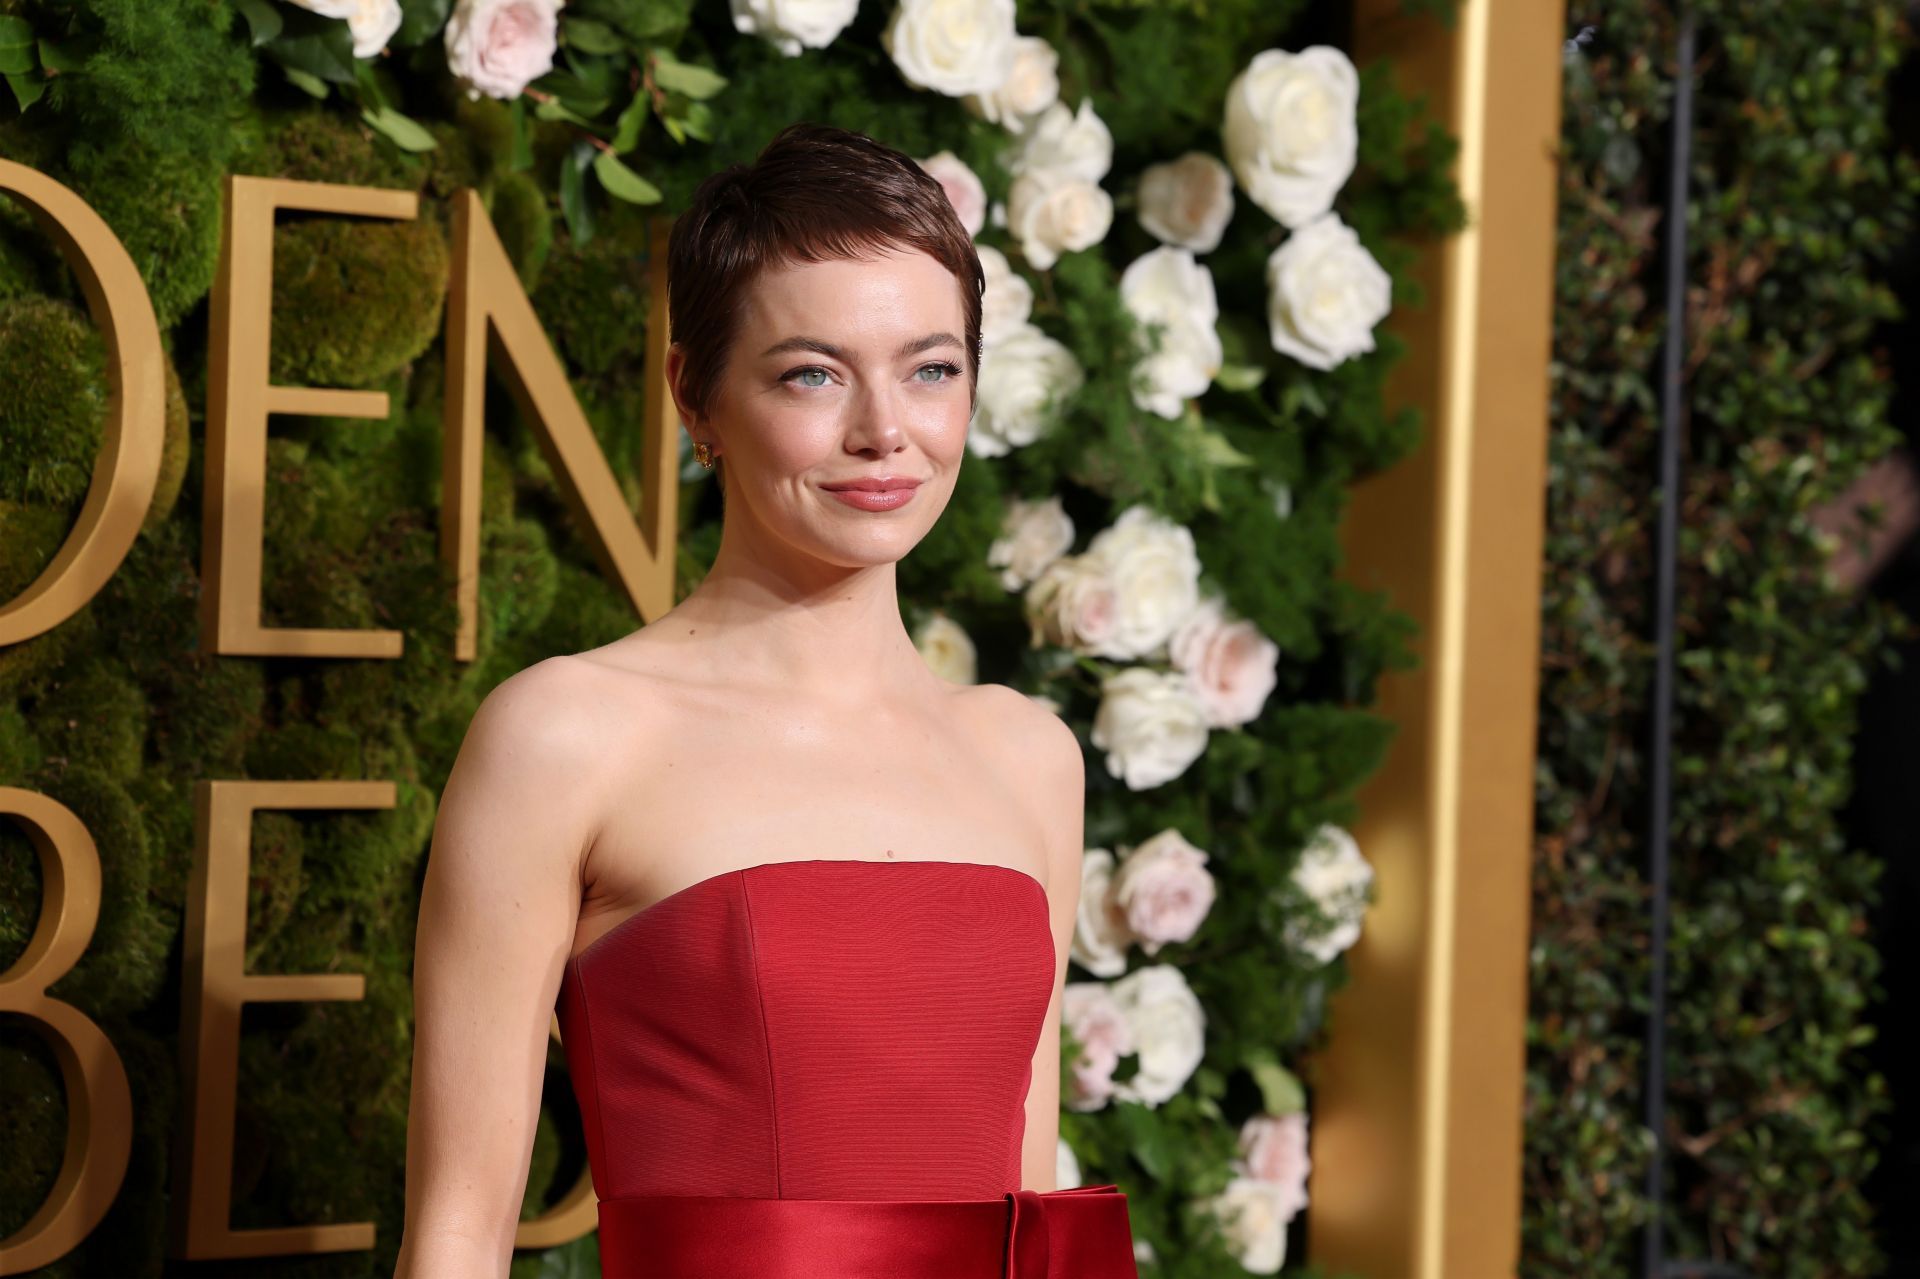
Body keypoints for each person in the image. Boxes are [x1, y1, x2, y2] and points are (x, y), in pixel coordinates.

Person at [394, 122, 1139, 1278]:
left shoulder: (1028, 754)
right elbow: (456, 1236)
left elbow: (1030, 1211)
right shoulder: (568, 736)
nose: (884, 430)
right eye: (813, 373)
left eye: (931, 368)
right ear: (698, 398)